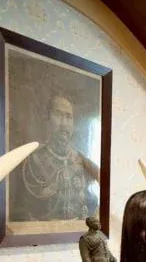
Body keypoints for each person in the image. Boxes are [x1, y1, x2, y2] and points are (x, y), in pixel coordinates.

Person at [11, 94, 99, 222]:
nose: (64, 124)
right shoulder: (33, 161)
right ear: (47, 120)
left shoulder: (82, 161)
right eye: (58, 115)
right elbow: (20, 212)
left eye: (68, 117)